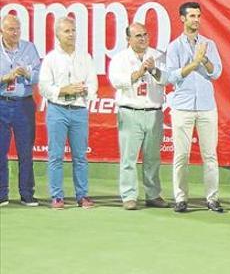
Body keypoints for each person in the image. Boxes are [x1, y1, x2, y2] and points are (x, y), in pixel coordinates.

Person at [165, 1, 223, 214]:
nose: (196, 20)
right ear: (182, 18)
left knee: (210, 155)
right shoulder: (174, 47)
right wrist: (193, 63)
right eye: (191, 16)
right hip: (182, 107)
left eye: (198, 16)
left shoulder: (209, 44)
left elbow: (216, 72)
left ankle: (212, 199)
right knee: (181, 155)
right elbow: (171, 76)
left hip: (207, 106)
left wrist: (204, 59)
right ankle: (180, 198)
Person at [107, 22, 169, 211]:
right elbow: (116, 81)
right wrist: (139, 73)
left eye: (145, 34)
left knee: (152, 158)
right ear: (128, 39)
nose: (143, 38)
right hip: (130, 111)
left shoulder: (157, 55)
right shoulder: (120, 59)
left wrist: (154, 70)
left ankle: (153, 194)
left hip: (153, 112)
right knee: (128, 158)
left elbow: (167, 78)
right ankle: (129, 195)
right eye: (138, 36)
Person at [38, 17, 98, 210]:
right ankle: (57, 196)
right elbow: (44, 87)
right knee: (55, 155)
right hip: (57, 110)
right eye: (66, 31)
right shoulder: (51, 58)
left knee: (80, 156)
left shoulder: (85, 57)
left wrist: (83, 90)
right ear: (57, 34)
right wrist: (64, 90)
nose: (71, 34)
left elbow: (93, 84)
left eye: (73, 30)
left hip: (79, 111)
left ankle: (82, 195)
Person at [0, 14, 41, 208]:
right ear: (2, 30)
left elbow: (40, 75)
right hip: (1, 103)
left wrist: (27, 73)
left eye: (17, 29)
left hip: (24, 103)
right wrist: (4, 78)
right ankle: (1, 194)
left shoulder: (29, 48)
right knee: (0, 152)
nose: (15, 33)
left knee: (26, 151)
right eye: (11, 29)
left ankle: (27, 194)